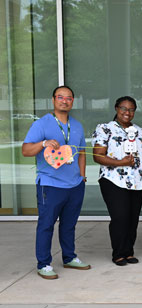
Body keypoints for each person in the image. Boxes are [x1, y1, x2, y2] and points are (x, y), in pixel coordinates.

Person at [22, 85, 91, 279]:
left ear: (72, 102)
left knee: (69, 225)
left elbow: (82, 153)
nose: (64, 101)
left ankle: (69, 257)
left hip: (75, 185)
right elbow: (26, 150)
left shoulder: (76, 125)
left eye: (68, 98)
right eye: (60, 97)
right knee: (46, 225)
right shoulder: (42, 124)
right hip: (50, 184)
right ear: (53, 100)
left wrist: (82, 177)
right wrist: (43, 143)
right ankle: (44, 264)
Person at [92, 96, 142, 266]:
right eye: (124, 108)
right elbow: (97, 156)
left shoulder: (139, 130)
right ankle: (118, 253)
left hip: (137, 181)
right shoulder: (105, 129)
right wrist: (121, 163)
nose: (127, 112)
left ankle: (128, 251)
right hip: (113, 180)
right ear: (116, 108)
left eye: (131, 109)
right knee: (120, 217)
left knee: (133, 218)